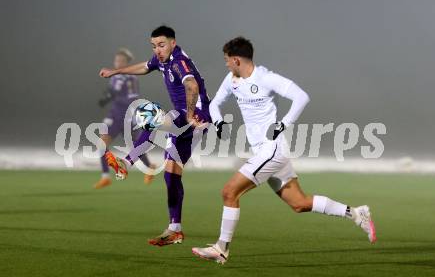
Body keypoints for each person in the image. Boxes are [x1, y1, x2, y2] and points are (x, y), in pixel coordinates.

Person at [192, 37, 376, 264]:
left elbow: (301, 97)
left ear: (237, 59)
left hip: (272, 150)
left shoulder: (267, 78)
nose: (226, 64)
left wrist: (284, 123)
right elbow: (214, 104)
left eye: (227, 60)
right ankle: (357, 213)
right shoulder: (232, 80)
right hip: (264, 151)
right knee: (299, 203)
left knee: (229, 192)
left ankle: (221, 248)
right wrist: (218, 122)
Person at [99, 26, 211, 246]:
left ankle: (126, 162)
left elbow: (192, 85)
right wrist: (116, 71)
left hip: (194, 116)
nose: (157, 50)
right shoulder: (162, 59)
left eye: (161, 45)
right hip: (186, 120)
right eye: (154, 46)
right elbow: (145, 66)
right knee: (171, 175)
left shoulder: (179, 61)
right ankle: (175, 230)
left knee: (149, 114)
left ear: (173, 43)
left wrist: (189, 114)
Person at [95, 48, 155, 189]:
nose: (118, 63)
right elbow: (113, 94)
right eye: (117, 60)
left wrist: (117, 95)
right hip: (114, 115)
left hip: (127, 116)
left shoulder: (131, 78)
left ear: (127, 63)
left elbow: (132, 98)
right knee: (102, 143)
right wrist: (107, 98)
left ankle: (150, 167)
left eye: (121, 61)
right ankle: (105, 176)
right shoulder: (114, 77)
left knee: (135, 147)